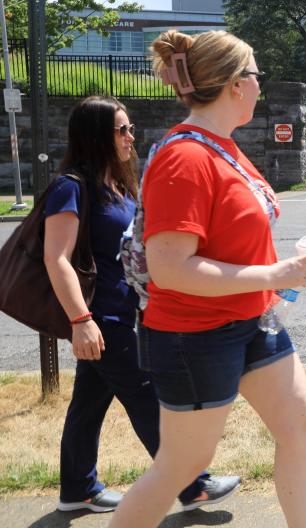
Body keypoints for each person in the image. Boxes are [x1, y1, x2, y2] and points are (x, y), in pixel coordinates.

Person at [108, 30, 306, 528]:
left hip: (253, 319)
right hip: (194, 335)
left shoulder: (221, 145)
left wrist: (282, 271)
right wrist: (277, 272)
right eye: (255, 75)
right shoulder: (185, 158)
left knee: (299, 425)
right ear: (234, 84)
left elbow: (232, 237)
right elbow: (170, 268)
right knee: (181, 466)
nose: (259, 85)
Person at [43, 96, 239, 513]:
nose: (131, 136)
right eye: (121, 129)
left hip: (126, 313)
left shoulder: (115, 185)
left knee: (88, 403)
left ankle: (77, 489)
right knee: (149, 398)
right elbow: (56, 257)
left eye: (130, 128)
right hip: (105, 319)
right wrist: (81, 320)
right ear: (97, 135)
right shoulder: (71, 186)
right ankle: (193, 485)